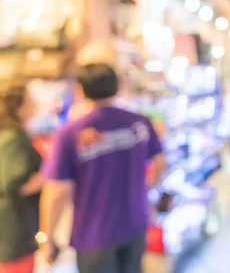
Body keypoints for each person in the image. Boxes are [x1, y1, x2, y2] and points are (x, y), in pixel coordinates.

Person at [40, 63, 166, 273]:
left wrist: (47, 237)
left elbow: (58, 191)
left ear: (80, 89)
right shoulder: (139, 122)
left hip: (94, 233)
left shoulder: (70, 134)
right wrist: (146, 190)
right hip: (136, 221)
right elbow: (161, 162)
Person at [0, 83, 45, 273]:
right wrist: (48, 175)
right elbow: (13, 183)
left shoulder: (12, 135)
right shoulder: (14, 138)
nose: (34, 103)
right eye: (29, 100)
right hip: (14, 228)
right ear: (17, 108)